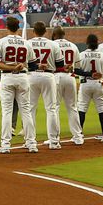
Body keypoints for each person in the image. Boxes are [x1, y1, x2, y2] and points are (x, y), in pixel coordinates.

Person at [0, 16, 34, 153]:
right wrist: (21, 65)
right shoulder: (26, 42)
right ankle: (31, 143)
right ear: (18, 27)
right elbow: (32, 64)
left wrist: (11, 67)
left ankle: (5, 144)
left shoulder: (2, 41)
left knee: (7, 111)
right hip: (23, 77)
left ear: (7, 27)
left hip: (7, 77)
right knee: (26, 111)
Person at [27, 21, 62, 150]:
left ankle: (30, 141)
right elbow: (60, 65)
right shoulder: (53, 44)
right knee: (51, 109)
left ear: (33, 31)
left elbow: (25, 62)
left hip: (31, 76)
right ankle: (54, 141)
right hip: (48, 76)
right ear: (45, 31)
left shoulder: (28, 43)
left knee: (30, 109)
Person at [74, 33, 103, 143]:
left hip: (85, 83)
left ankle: (79, 135)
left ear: (87, 43)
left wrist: (88, 74)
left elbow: (76, 70)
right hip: (98, 84)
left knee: (82, 108)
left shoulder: (81, 55)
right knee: (102, 108)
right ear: (97, 44)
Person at [52, 27, 83, 145]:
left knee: (55, 108)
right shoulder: (73, 46)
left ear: (54, 35)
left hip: (55, 77)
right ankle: (78, 137)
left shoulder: (52, 44)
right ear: (64, 34)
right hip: (70, 77)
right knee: (73, 108)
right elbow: (78, 66)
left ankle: (55, 138)